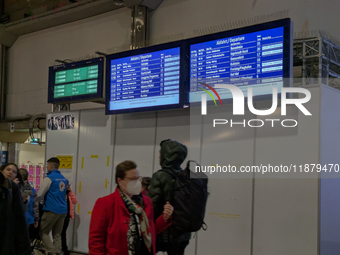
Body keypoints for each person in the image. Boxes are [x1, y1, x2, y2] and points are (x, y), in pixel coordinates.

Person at [89, 160, 174, 255]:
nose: (137, 183)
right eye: (133, 179)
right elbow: (96, 240)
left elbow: (149, 231)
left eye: (138, 179)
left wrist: (164, 218)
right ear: (120, 180)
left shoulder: (146, 202)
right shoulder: (105, 203)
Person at [148, 139, 191, 255]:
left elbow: (152, 206)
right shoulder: (186, 176)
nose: (159, 157)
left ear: (166, 156)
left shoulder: (160, 176)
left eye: (161, 154)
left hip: (164, 233)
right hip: (184, 233)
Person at [35, 157, 69, 255]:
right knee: (57, 234)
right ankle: (57, 252)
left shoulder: (49, 178)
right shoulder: (64, 179)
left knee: (43, 232)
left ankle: (52, 252)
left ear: (50, 166)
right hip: (63, 210)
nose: (46, 167)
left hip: (51, 209)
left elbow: (40, 194)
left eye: (47, 166)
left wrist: (34, 202)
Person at [0, 169, 31, 255]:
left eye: (14, 171)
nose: (10, 173)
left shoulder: (11, 187)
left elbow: (19, 221)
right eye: (8, 170)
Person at [19, 168, 40, 241]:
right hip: (29, 218)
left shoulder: (15, 188)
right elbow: (35, 205)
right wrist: (36, 219)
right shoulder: (32, 189)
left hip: (18, 218)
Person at [61, 185, 78, 255]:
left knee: (63, 232)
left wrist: (70, 192)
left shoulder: (69, 195)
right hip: (60, 215)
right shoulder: (60, 194)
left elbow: (75, 201)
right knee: (59, 233)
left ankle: (64, 248)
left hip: (67, 216)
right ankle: (62, 248)